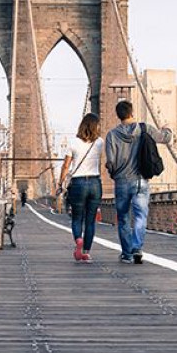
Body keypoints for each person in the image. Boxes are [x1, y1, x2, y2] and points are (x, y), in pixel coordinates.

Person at [104, 100, 173, 264]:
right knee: (140, 216)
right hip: (141, 181)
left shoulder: (112, 135)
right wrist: (168, 129)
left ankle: (127, 254)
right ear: (132, 112)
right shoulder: (144, 128)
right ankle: (137, 247)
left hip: (121, 181)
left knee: (123, 218)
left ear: (118, 115)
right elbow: (166, 138)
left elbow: (110, 162)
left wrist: (114, 174)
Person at [58, 113, 105, 263]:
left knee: (77, 217)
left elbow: (66, 166)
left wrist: (60, 183)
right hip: (95, 183)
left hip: (78, 183)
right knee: (90, 221)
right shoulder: (100, 142)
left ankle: (78, 239)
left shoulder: (73, 142)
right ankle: (86, 252)